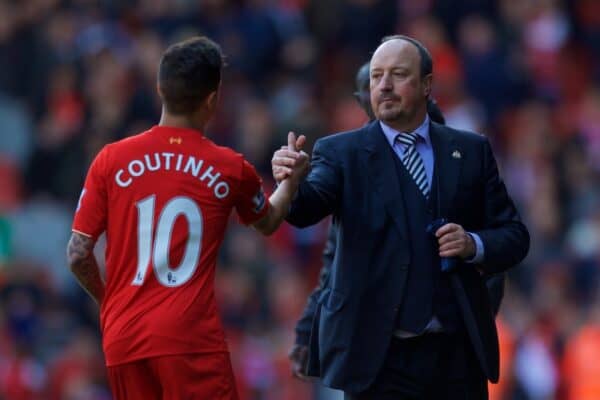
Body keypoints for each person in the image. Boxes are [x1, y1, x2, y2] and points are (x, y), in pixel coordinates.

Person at [273, 35, 529, 399]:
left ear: (427, 85)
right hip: (379, 361)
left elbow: (515, 236)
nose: (384, 86)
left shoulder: (470, 150)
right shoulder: (340, 152)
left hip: (456, 357)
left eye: (398, 74)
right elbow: (305, 211)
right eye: (377, 77)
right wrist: (292, 185)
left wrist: (473, 244)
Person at [66, 36, 308, 400]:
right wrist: (289, 182)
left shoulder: (110, 160)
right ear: (213, 99)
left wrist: (109, 302)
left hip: (124, 338)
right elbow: (268, 221)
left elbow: (78, 253)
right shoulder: (229, 168)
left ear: (159, 88)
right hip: (190, 340)